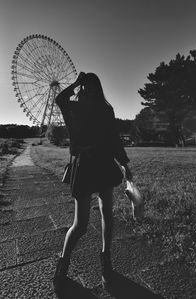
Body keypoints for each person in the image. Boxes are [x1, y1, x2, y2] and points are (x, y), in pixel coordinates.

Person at [53, 72, 132, 291]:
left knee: (108, 212)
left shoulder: (107, 110)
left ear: (98, 88)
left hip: (104, 163)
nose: (89, 90)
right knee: (81, 225)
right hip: (85, 165)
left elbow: (114, 139)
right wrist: (77, 83)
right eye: (85, 87)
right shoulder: (74, 109)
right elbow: (60, 99)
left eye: (92, 85)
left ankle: (106, 260)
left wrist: (124, 163)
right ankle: (63, 262)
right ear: (82, 88)